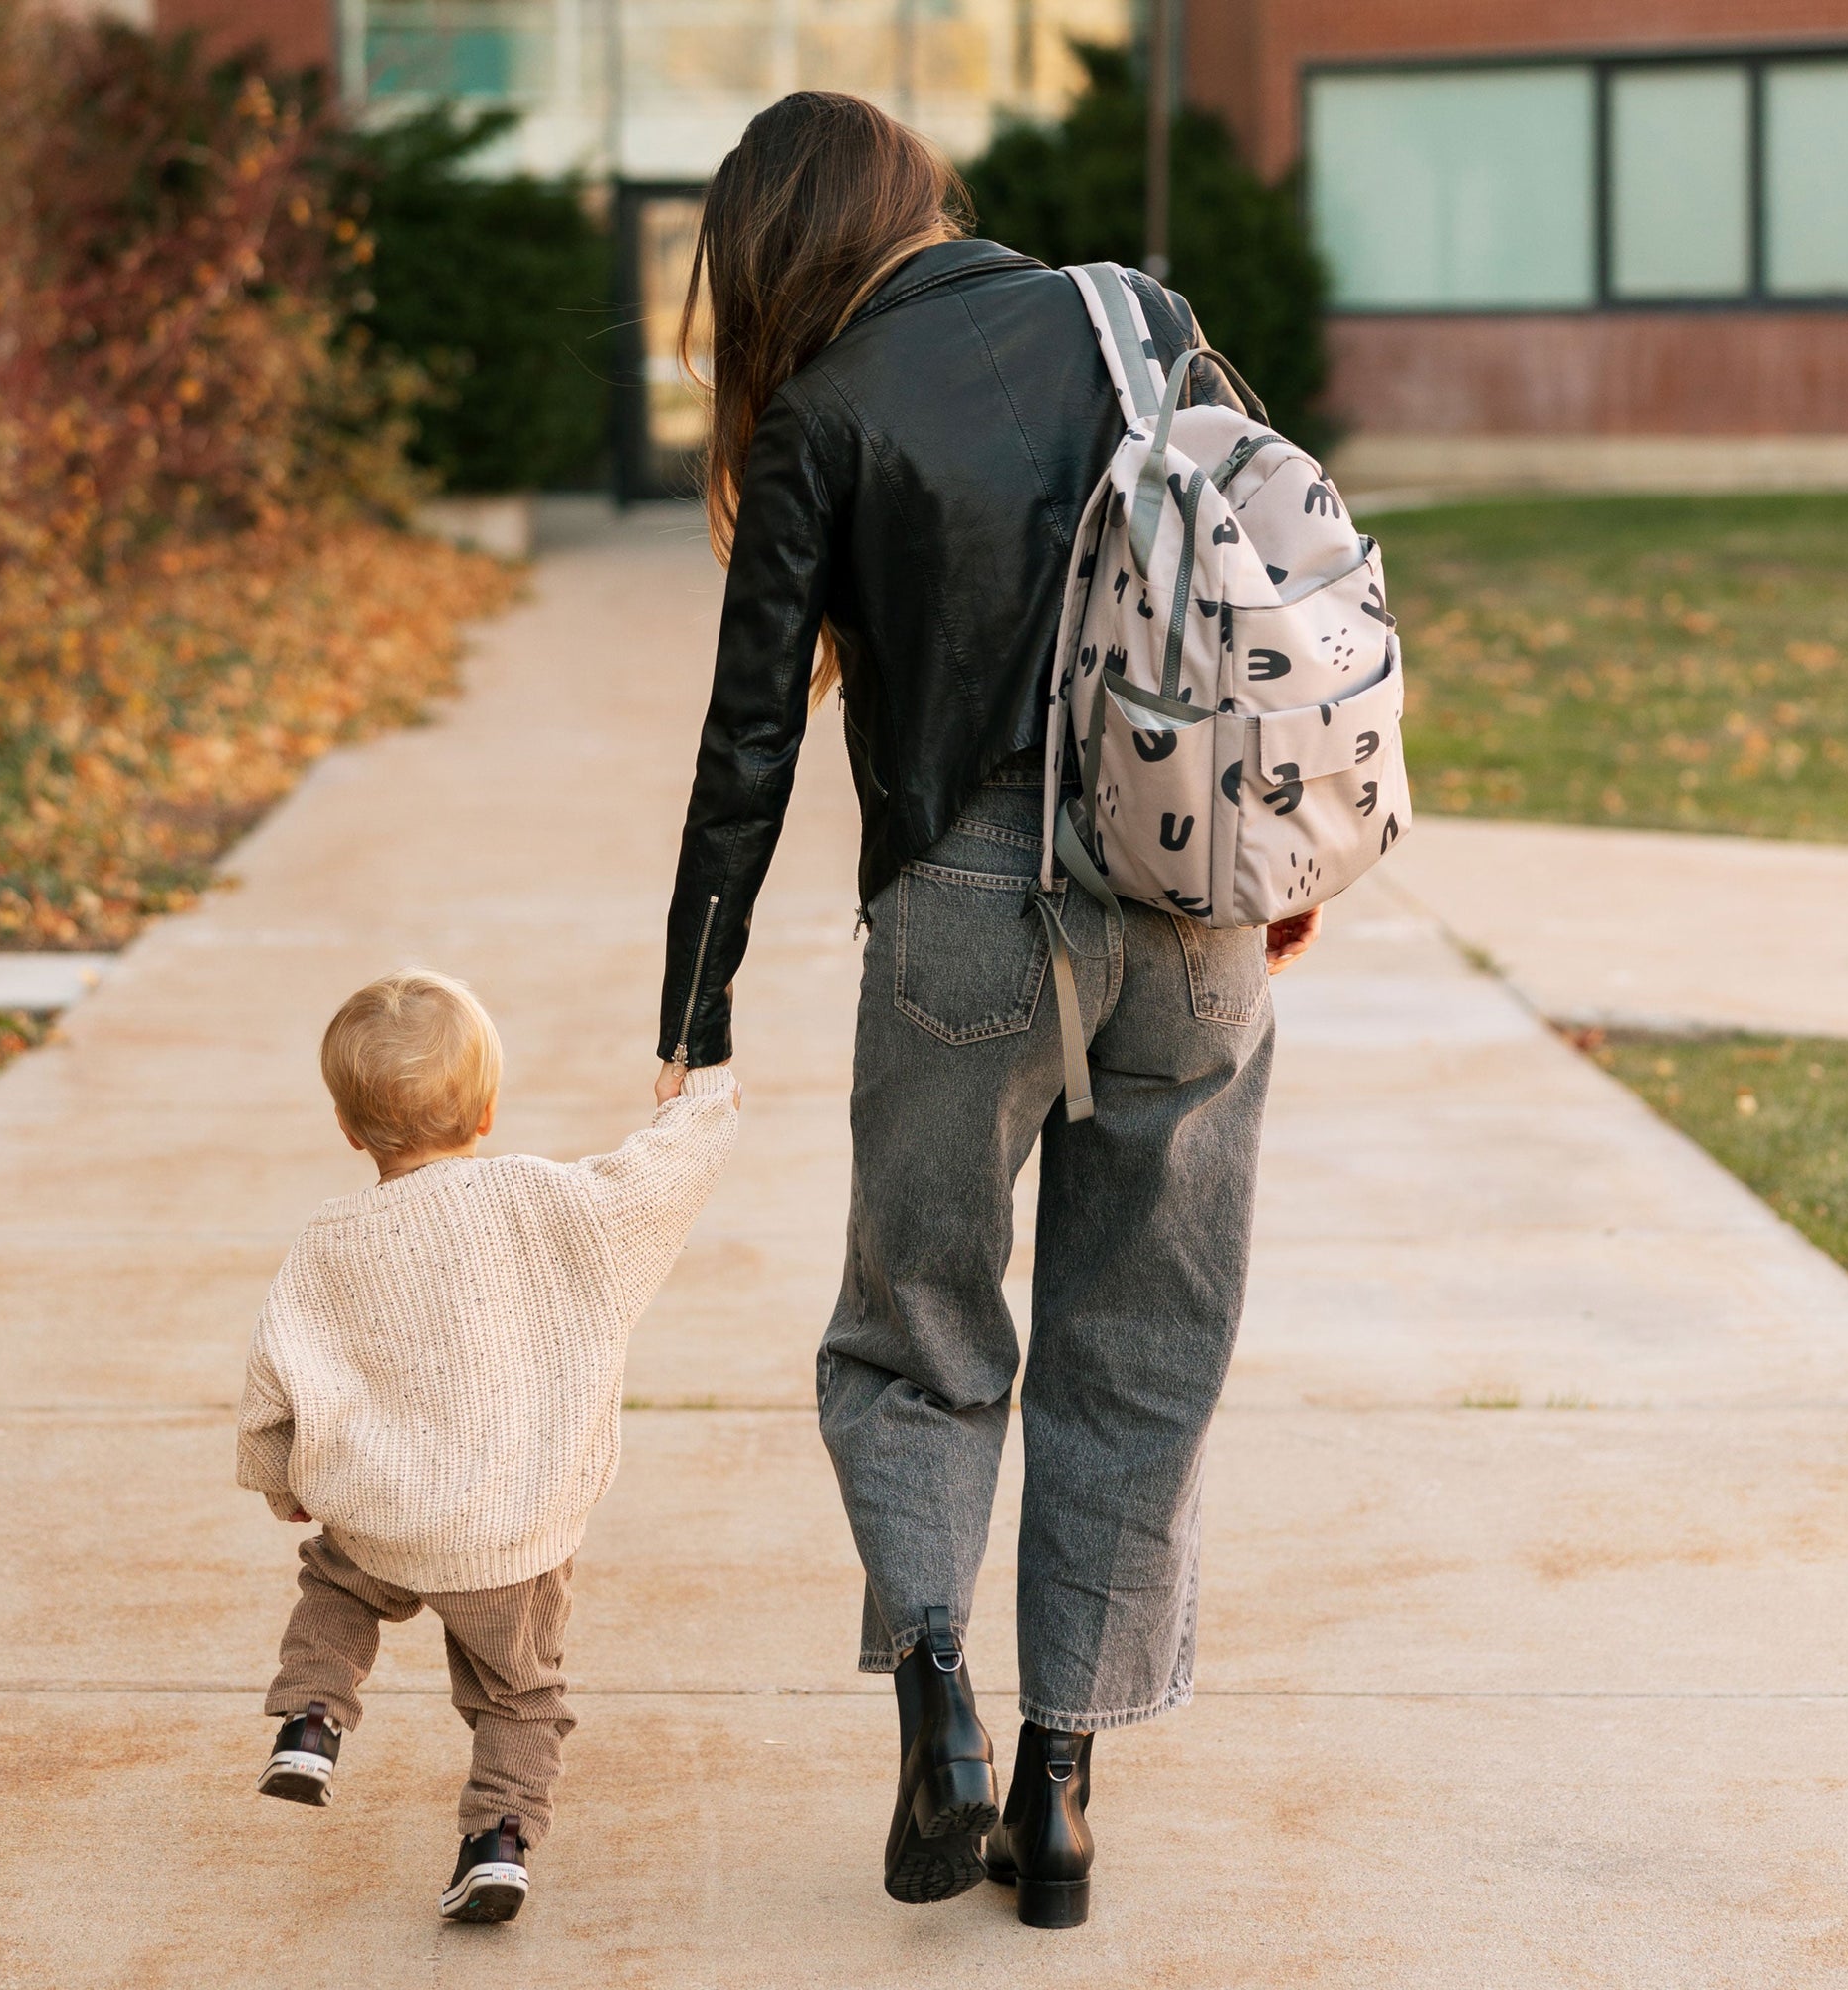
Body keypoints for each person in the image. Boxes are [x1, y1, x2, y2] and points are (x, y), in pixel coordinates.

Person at [655, 92, 1321, 1930]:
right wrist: (1290, 867)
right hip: (1188, 897)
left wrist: (695, 1002)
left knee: (916, 1323)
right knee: (1143, 1347)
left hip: (965, 917)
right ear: (915, 196)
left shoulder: (818, 413)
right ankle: (1066, 1796)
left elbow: (751, 743)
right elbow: (1272, 594)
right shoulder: (1137, 318)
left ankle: (941, 1696)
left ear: (772, 256)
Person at [237, 968, 738, 1923]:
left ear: (349, 1129)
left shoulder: (330, 1239)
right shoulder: (543, 1201)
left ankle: (311, 1718)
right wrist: (701, 1101)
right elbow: (650, 1185)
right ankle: (497, 1841)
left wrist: (283, 1482)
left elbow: (275, 1375)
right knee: (520, 1691)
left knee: (337, 1586)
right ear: (488, 1110)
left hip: (382, 1517)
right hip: (513, 1533)